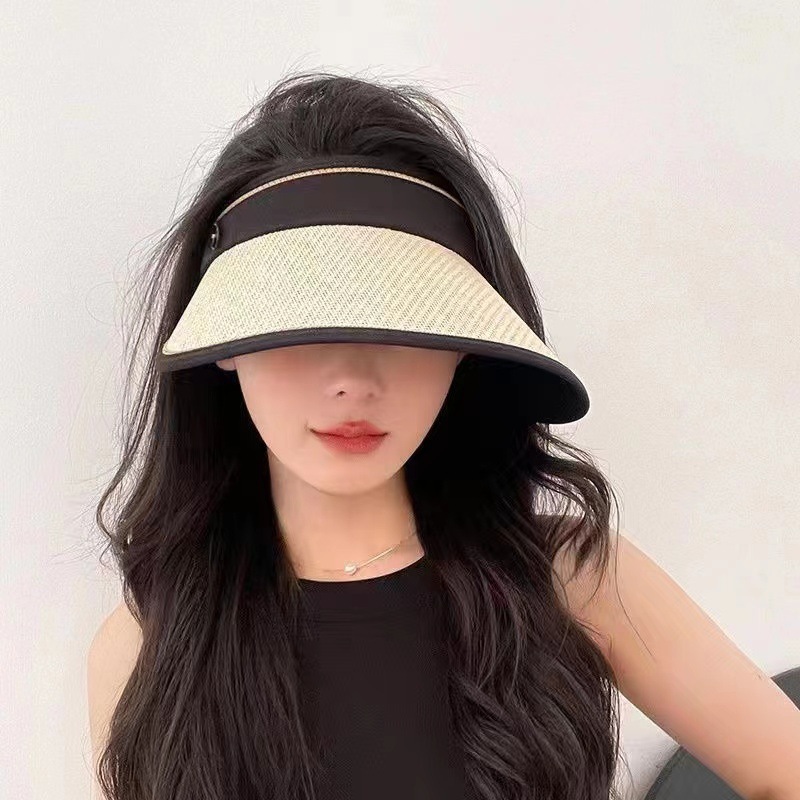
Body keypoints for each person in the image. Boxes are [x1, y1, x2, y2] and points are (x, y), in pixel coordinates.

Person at [86, 71, 800, 800]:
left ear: (462, 347)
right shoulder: (149, 645)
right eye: (300, 326)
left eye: (406, 326)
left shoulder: (570, 577)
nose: (352, 380)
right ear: (225, 345)